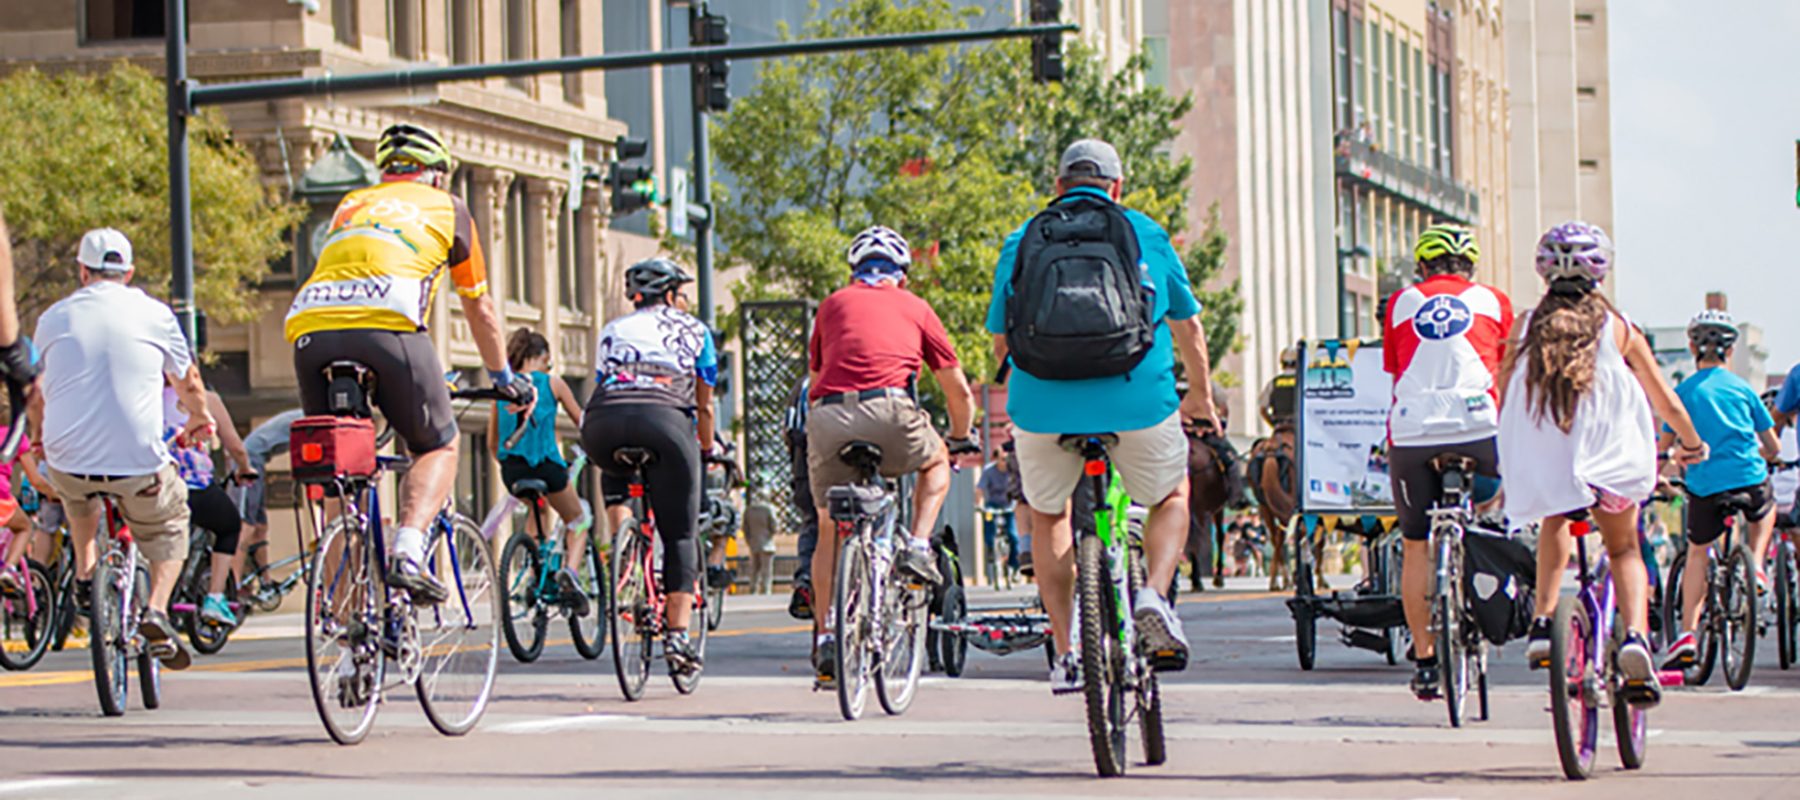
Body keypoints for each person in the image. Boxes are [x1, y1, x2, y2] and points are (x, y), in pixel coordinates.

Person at [988, 139, 1219, 693]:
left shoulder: (1023, 238)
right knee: (1170, 497)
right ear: (1117, 187)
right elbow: (1189, 329)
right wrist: (1201, 400)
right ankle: (1153, 597)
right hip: (1137, 399)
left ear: (1059, 185)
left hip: (1043, 406)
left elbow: (1001, 338)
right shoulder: (1146, 233)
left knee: (1049, 516)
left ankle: (1066, 651)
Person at [285, 123, 532, 604]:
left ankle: (345, 622)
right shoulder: (448, 208)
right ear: (437, 176)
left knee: (340, 470)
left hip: (309, 328)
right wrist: (504, 377)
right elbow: (478, 306)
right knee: (437, 445)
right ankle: (409, 550)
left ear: (386, 173)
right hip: (387, 326)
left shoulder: (351, 204)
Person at [1498, 221, 1706, 709]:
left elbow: (1506, 390)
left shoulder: (1526, 326)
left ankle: (1544, 621)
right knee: (1625, 549)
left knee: (1556, 518)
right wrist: (1692, 446)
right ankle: (1634, 637)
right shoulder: (1620, 328)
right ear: (1600, 275)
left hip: (1550, 465)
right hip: (1612, 464)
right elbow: (1666, 402)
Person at [29, 227, 214, 670]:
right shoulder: (155, 314)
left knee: (78, 496)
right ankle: (155, 611)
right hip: (136, 460)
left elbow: (34, 392)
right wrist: (198, 417)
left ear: (82, 271)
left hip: (66, 457)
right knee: (171, 522)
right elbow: (187, 382)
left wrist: (38, 439)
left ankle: (86, 572)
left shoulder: (53, 317)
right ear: (128, 272)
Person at [805, 225, 978, 684]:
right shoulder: (916, 307)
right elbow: (956, 389)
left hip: (827, 416)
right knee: (936, 460)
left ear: (855, 272)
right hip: (891, 409)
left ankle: (826, 638)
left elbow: (818, 371)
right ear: (901, 275)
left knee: (829, 526)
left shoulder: (832, 304)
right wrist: (960, 435)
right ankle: (918, 546)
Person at [1380, 223, 1513, 701]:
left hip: (1414, 431)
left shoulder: (1401, 303)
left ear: (1422, 267)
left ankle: (1423, 659)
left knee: (1415, 545)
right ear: (1471, 268)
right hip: (1481, 429)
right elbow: (1506, 365)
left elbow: (1395, 370)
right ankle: (1486, 576)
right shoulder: (1494, 301)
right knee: (1497, 510)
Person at [583, 258, 718, 676]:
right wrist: (707, 449)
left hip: (603, 422)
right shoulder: (694, 329)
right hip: (666, 422)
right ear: (673, 295)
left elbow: (606, 379)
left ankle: (624, 552)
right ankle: (677, 636)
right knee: (679, 532)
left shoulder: (613, 329)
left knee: (617, 468)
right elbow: (704, 402)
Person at [1658, 310, 1780, 669]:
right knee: (1764, 508)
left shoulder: (1681, 392)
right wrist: (1756, 454)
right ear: (1730, 351)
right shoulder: (1744, 388)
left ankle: (1688, 635)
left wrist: (1671, 466)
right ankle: (1756, 564)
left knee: (1698, 552)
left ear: (1693, 347)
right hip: (1747, 475)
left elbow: (1666, 450)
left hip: (1705, 484)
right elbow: (1772, 447)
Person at [489, 327, 592, 614]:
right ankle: (569, 574)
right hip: (548, 466)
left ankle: (535, 577)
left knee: (538, 509)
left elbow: (491, 440)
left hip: (511, 470)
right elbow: (582, 421)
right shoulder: (553, 383)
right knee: (578, 520)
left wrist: (508, 462)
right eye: (549, 360)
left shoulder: (503, 389)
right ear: (542, 356)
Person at [163, 384, 252, 628]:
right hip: (194, 487)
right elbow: (234, 446)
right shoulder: (206, 398)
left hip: (154, 485)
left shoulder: (143, 392)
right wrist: (245, 469)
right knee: (229, 525)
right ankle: (214, 597)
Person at [229, 408, 303, 588]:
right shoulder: (308, 419)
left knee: (261, 528)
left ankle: (266, 581)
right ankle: (233, 585)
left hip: (259, 461)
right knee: (245, 526)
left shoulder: (302, 417)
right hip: (249, 461)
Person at [784, 376, 819, 620]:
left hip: (806, 466)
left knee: (813, 521)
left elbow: (790, 431)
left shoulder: (805, 384)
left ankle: (806, 577)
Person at [977, 455, 1020, 572]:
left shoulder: (1013, 470)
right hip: (992, 505)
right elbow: (980, 489)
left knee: (1013, 535)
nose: (1005, 462)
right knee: (988, 521)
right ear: (996, 459)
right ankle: (990, 547)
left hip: (1009, 506)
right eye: (1002, 459)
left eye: (1007, 459)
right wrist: (978, 504)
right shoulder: (989, 471)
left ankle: (1013, 564)